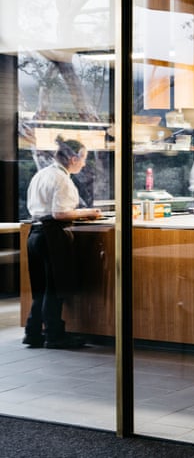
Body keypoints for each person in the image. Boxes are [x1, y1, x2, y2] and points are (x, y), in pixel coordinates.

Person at [24, 136, 102, 349]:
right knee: (55, 288)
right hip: (52, 235)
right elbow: (59, 214)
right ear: (73, 158)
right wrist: (88, 213)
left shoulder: (42, 174)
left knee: (41, 287)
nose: (85, 163)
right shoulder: (62, 179)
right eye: (84, 158)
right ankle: (54, 335)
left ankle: (32, 332)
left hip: (34, 234)